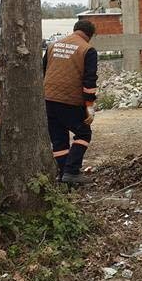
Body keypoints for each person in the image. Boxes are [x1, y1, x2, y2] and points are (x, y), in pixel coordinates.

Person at [42, 19, 98, 185]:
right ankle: (72, 171)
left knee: (59, 140)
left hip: (49, 99)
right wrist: (89, 106)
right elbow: (89, 82)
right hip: (70, 101)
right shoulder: (87, 49)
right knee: (83, 134)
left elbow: (44, 70)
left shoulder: (53, 45)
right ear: (90, 35)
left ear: (74, 30)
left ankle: (63, 176)